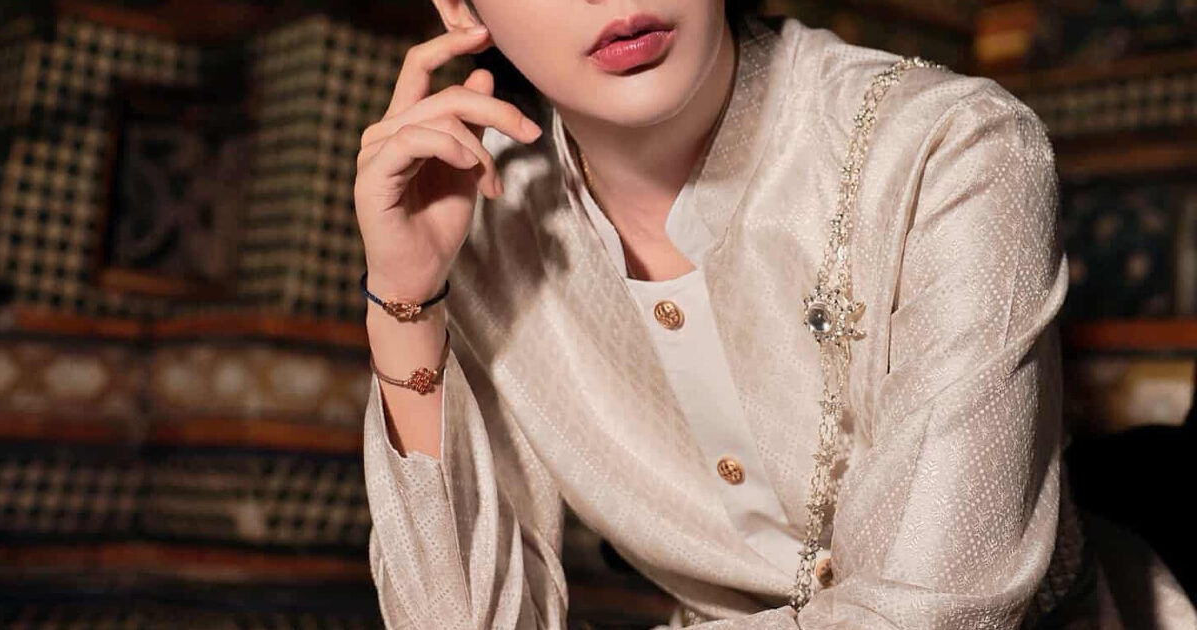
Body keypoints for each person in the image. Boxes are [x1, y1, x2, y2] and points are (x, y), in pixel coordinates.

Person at [353, 0, 1197, 627]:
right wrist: (405, 299)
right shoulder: (481, 221)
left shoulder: (953, 149)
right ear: (460, 8)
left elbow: (937, 611)